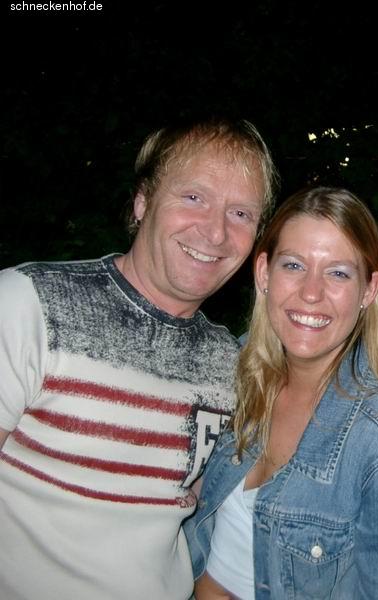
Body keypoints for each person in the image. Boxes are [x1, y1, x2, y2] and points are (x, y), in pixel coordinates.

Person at [0, 117, 277, 599]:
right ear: (142, 201)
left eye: (240, 213)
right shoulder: (32, 304)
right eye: (194, 197)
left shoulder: (232, 367)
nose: (215, 232)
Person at [184, 187, 378, 599]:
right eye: (294, 265)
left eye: (338, 273)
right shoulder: (237, 373)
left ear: (369, 290)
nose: (311, 292)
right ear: (264, 273)